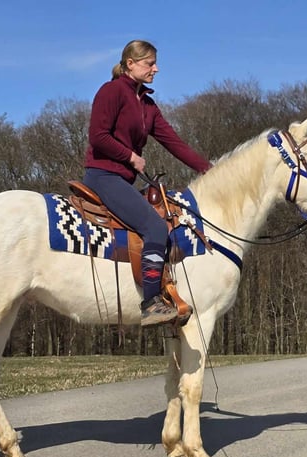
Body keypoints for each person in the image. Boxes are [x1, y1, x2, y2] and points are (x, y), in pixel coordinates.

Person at [83, 39, 212, 327]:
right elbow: (98, 137)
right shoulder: (111, 91)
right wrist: (130, 156)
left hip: (121, 179)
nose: (156, 68)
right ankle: (151, 302)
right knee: (154, 227)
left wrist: (209, 170)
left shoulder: (148, 106)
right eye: (149, 63)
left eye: (155, 63)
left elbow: (174, 143)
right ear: (130, 64)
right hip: (103, 176)